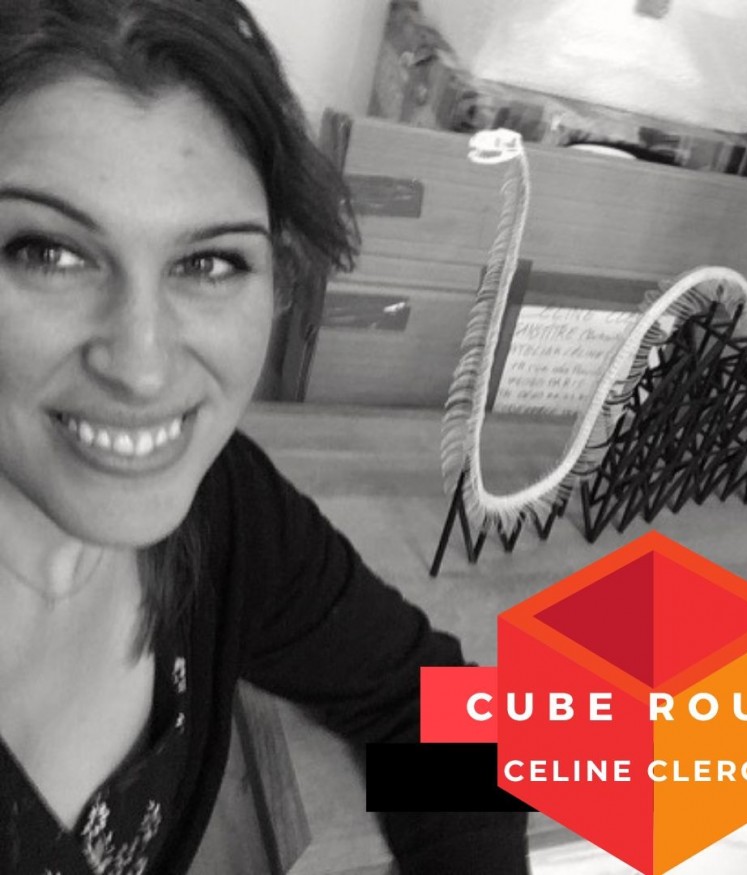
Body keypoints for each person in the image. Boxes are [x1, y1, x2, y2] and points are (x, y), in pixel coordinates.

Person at [0, 0, 529, 872]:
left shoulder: (225, 511)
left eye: (208, 262)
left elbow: (431, 708)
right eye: (46, 253)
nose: (141, 367)